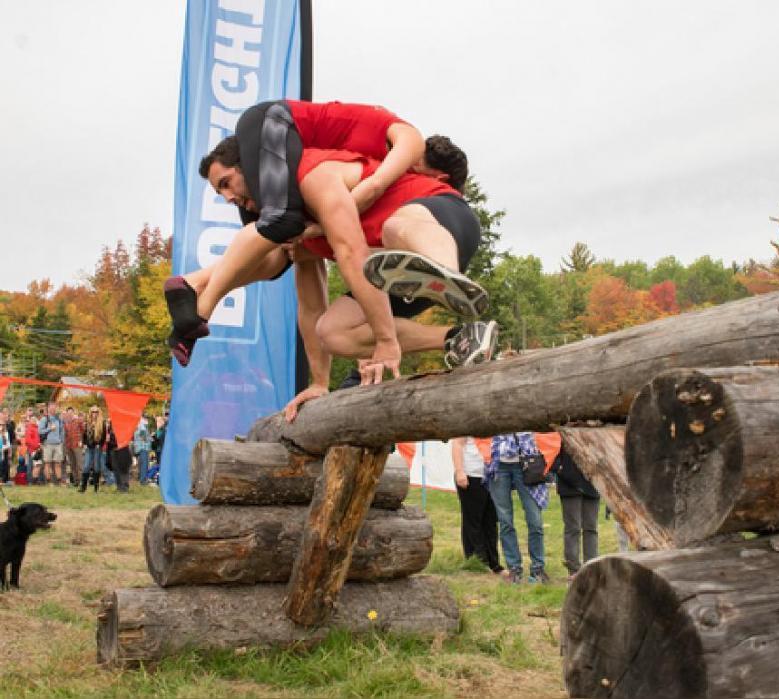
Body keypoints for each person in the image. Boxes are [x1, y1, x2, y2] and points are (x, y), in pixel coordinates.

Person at [166, 98, 491, 382]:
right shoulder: (296, 227)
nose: (227, 198)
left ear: (252, 168)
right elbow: (310, 306)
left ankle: (447, 273)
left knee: (393, 229)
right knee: (332, 332)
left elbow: (352, 252)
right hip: (397, 271)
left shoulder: (313, 175)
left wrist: (386, 340)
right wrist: (318, 385)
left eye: (226, 183)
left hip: (441, 219)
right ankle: (459, 337)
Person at [487, 431, 551, 584]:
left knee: (535, 520)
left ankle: (537, 568)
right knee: (505, 521)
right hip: (499, 462)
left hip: (527, 460)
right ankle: (514, 568)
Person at [450, 436, 502, 573]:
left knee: (490, 522)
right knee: (473, 522)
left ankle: (494, 563)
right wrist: (460, 471)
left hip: (491, 476)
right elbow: (457, 444)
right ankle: (478, 561)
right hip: (471, 474)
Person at [554, 444, 600, 578]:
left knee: (591, 528)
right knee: (573, 528)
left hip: (592, 483)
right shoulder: (561, 428)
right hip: (569, 484)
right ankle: (574, 570)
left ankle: (591, 567)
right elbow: (550, 452)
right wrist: (560, 469)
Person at [80, 406, 106, 493]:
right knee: (86, 466)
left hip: (97, 447)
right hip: (89, 447)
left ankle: (96, 487)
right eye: (93, 412)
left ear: (99, 413)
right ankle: (83, 487)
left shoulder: (102, 423)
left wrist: (100, 444)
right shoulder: (87, 423)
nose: (94, 414)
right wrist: (84, 444)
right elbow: (84, 435)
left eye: (96, 412)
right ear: (90, 413)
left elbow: (104, 436)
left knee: (96, 467)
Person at [63, 406, 85, 486]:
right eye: (68, 413)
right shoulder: (65, 423)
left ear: (73, 413)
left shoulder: (78, 421)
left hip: (77, 445)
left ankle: (82, 481)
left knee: (79, 464)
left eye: (71, 412)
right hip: (69, 445)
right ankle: (76, 481)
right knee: (72, 464)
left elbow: (83, 431)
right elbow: (65, 434)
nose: (70, 414)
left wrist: (81, 441)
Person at [132, 413, 151, 486]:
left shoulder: (138, 424)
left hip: (139, 447)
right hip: (143, 447)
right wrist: (150, 438)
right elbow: (143, 436)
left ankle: (142, 479)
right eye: (146, 417)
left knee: (141, 463)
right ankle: (143, 481)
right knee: (144, 464)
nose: (147, 419)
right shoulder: (141, 424)